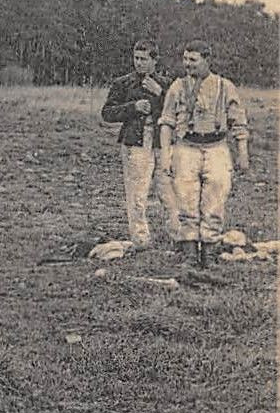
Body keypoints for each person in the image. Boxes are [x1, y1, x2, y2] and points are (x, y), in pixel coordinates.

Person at [160, 40, 250, 267]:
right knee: (186, 199)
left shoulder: (224, 86)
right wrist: (165, 154)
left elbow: (238, 121)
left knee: (215, 199)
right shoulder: (177, 87)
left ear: (207, 60)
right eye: (185, 59)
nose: (187, 64)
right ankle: (190, 253)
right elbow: (167, 122)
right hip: (186, 148)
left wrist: (242, 153)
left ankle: (209, 252)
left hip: (216, 148)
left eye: (193, 59)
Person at [99, 40, 177, 247]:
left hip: (163, 144)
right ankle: (140, 239)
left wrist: (160, 93)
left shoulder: (168, 85)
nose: (139, 63)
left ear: (154, 61)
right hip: (135, 143)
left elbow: (180, 111)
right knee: (137, 194)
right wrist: (133, 107)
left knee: (168, 192)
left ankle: (178, 236)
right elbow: (107, 113)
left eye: (144, 59)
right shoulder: (123, 83)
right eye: (136, 58)